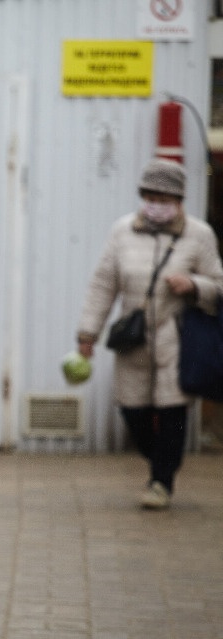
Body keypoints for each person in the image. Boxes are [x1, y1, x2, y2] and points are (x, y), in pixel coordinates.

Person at [76, 157, 223, 509]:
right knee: (133, 410)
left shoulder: (199, 235)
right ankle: (159, 460)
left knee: (173, 412)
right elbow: (103, 284)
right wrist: (87, 334)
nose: (156, 205)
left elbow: (218, 284)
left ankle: (161, 481)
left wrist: (193, 285)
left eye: (164, 199)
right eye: (151, 197)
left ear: (179, 201)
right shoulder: (122, 231)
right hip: (134, 338)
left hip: (177, 337)